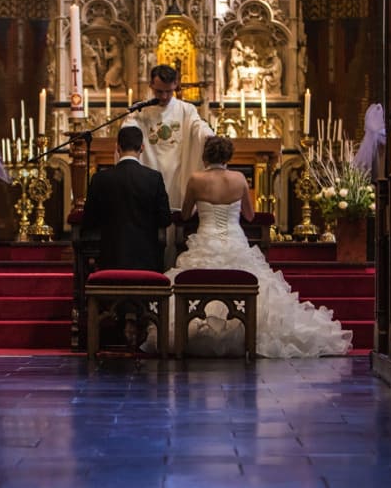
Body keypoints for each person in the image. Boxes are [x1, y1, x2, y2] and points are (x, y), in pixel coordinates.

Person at [144, 136, 353, 357]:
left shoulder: (196, 179)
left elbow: (185, 214)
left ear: (205, 156)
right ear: (228, 156)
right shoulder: (239, 179)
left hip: (205, 241)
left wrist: (201, 208)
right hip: (235, 241)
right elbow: (250, 215)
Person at [122, 64, 214, 210]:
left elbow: (198, 126)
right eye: (159, 91)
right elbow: (129, 130)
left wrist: (208, 136)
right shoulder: (141, 111)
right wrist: (127, 128)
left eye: (169, 91)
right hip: (149, 168)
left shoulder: (186, 110)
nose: (164, 96)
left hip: (178, 171)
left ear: (175, 85)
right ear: (151, 85)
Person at [82, 126, 172, 273]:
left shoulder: (100, 178)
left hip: (110, 260)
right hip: (146, 261)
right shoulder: (153, 178)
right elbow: (165, 219)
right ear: (142, 148)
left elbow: (89, 220)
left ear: (117, 147)